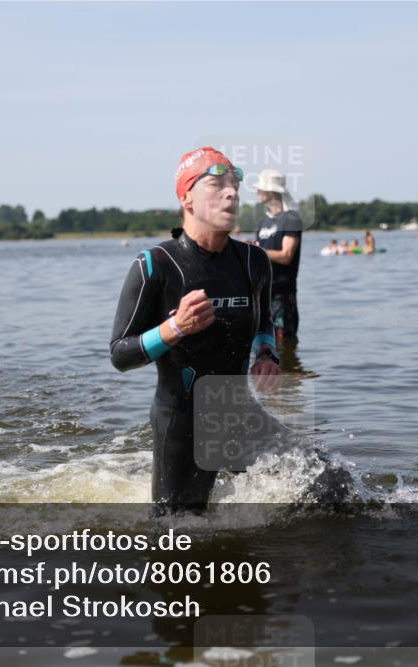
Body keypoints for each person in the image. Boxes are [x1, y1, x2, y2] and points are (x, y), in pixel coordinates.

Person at [110, 147, 282, 513]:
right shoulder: (155, 265)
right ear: (186, 197)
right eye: (217, 185)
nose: (232, 193)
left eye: (235, 185)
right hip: (181, 421)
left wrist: (267, 354)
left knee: (328, 486)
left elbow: (265, 319)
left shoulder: (254, 261)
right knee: (177, 528)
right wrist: (175, 328)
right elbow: (120, 354)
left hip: (238, 414)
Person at [254, 169, 302, 345]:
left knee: (284, 344)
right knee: (262, 346)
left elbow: (286, 255)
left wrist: (259, 251)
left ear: (272, 191)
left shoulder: (291, 219)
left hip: (282, 294)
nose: (257, 191)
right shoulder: (263, 222)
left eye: (261, 188)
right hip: (261, 294)